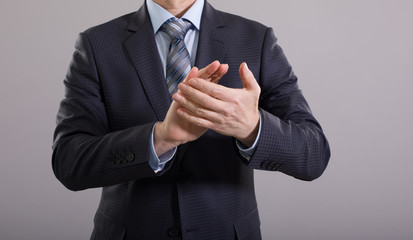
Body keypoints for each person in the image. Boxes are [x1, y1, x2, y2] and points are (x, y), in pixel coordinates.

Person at [52, 0, 331, 239]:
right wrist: (160, 139)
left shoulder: (256, 39)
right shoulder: (97, 44)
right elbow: (69, 162)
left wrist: (252, 128)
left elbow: (314, 155)